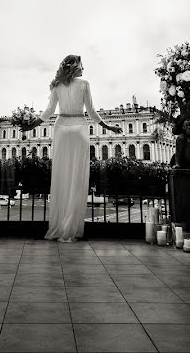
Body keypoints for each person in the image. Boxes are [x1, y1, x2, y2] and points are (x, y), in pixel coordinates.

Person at [21, 54, 122, 242]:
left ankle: (58, 227)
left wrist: (30, 126)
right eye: (82, 65)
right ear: (75, 67)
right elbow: (91, 111)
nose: (84, 68)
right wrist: (108, 127)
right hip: (79, 128)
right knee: (77, 177)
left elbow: (49, 112)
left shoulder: (57, 85)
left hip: (60, 127)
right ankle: (72, 228)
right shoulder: (84, 84)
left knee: (60, 175)